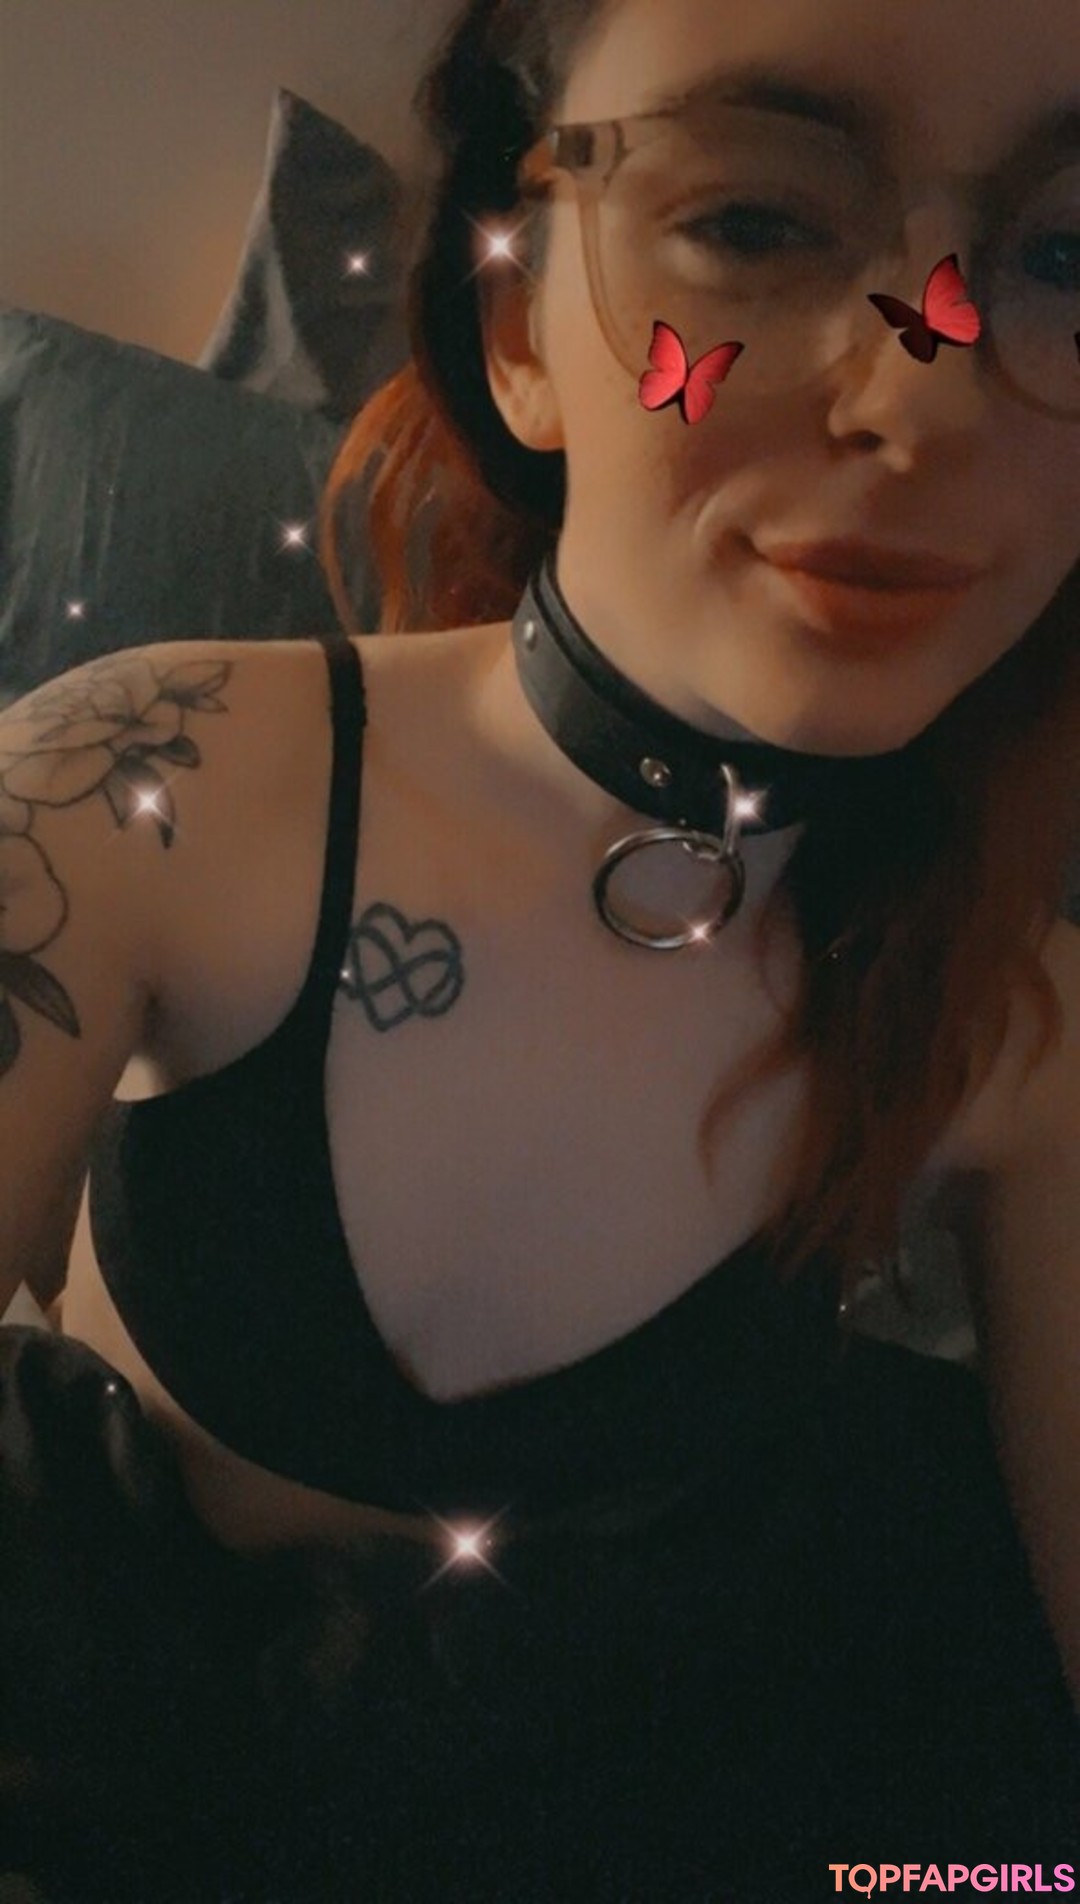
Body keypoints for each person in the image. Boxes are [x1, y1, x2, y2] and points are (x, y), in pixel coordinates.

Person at [2, 0, 1080, 1896]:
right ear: (517, 321)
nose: (920, 399)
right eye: (754, 221)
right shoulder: (137, 788)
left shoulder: (1018, 1029)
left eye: (1072, 260)